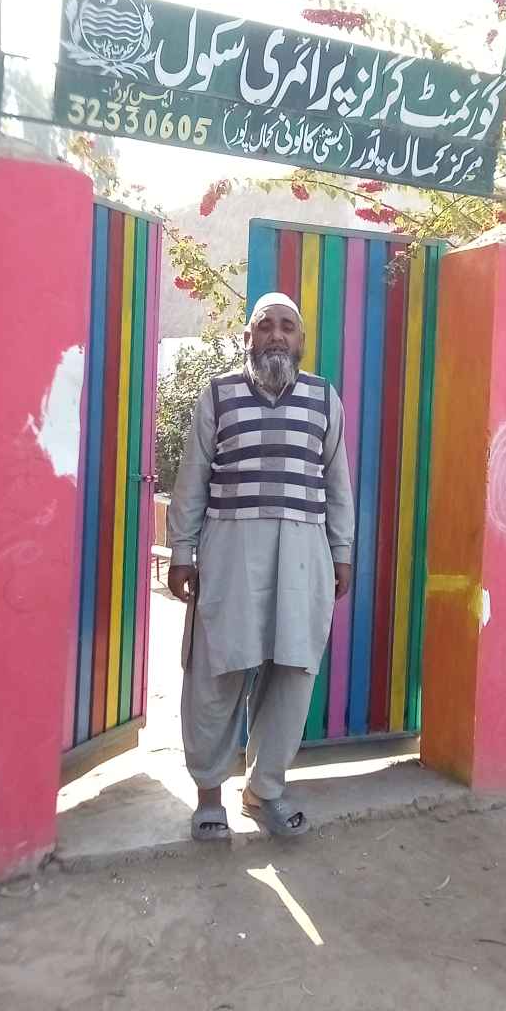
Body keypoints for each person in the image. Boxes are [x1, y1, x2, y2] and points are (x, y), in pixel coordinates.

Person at [166, 291, 354, 841]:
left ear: (301, 341)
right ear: (247, 338)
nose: (276, 334)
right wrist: (182, 551)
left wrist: (341, 551)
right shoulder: (218, 395)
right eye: (265, 325)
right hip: (230, 549)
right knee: (217, 670)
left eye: (287, 327)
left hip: (303, 552)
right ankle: (208, 795)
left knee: (293, 672)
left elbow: (337, 482)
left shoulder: (323, 398)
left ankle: (264, 791)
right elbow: (193, 477)